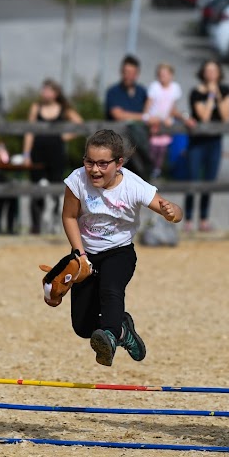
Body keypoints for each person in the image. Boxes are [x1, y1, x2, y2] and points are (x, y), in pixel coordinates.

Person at [62, 129, 183, 366]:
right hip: (85, 253)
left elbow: (174, 212)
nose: (94, 170)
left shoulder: (134, 186)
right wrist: (80, 254)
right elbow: (69, 217)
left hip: (119, 252)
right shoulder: (77, 180)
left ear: (119, 163)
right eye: (89, 162)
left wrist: (172, 213)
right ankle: (122, 332)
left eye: (102, 163)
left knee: (111, 289)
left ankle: (109, 335)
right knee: (82, 327)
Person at [22, 79, 83, 234]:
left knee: (56, 191)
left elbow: (80, 124)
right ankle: (36, 226)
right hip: (37, 154)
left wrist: (64, 136)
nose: (45, 93)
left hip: (56, 155)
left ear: (55, 93)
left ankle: (56, 224)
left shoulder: (63, 109)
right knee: (36, 190)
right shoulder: (36, 108)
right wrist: (26, 153)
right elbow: (29, 132)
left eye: (48, 90)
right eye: (43, 90)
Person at [186, 58, 229, 233]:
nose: (211, 74)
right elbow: (204, 117)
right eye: (208, 71)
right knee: (193, 180)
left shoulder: (226, 91)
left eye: (214, 70)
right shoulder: (196, 93)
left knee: (210, 180)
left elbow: (226, 117)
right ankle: (189, 219)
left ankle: (204, 218)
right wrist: (211, 96)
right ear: (203, 73)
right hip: (197, 142)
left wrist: (218, 95)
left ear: (219, 73)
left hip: (215, 141)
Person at [105, 54, 151, 178]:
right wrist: (143, 117)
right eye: (126, 72)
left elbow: (150, 111)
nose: (128, 75)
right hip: (120, 145)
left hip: (139, 142)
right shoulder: (113, 92)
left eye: (131, 72)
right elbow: (117, 114)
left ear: (137, 73)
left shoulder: (142, 91)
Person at [145, 62, 189, 179]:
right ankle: (151, 170)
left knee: (163, 150)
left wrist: (178, 116)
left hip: (165, 121)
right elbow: (148, 105)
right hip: (154, 120)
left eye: (165, 74)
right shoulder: (154, 87)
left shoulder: (175, 88)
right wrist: (148, 117)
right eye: (161, 74)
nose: (163, 77)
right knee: (152, 149)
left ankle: (158, 171)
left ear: (171, 75)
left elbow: (172, 107)